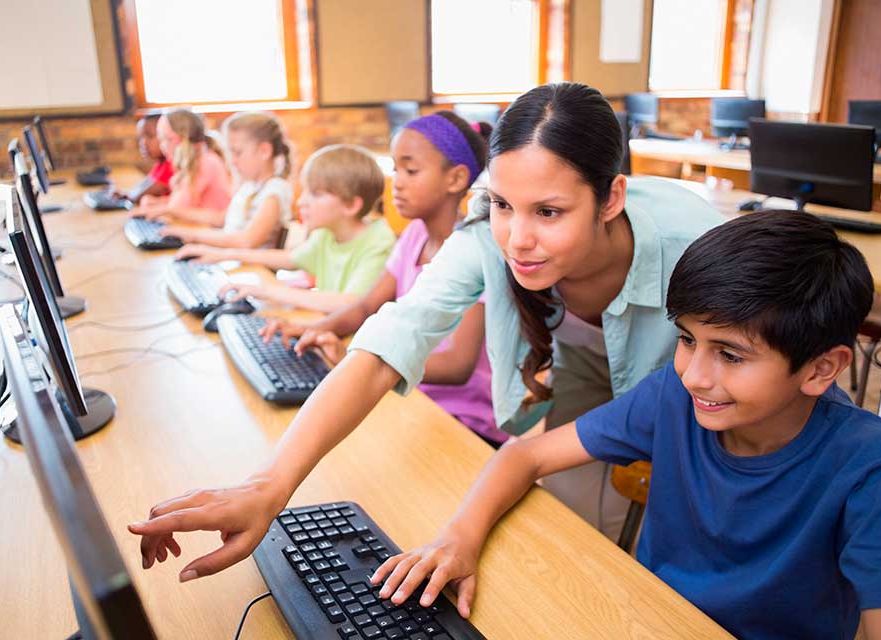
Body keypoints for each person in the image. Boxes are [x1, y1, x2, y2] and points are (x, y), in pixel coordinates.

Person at [127, 82, 724, 581]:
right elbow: (392, 339)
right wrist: (268, 485)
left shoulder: (693, 245)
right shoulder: (489, 238)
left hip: (699, 389)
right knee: (569, 536)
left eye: (549, 212)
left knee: (678, 524)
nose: (516, 238)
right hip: (582, 361)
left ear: (611, 198)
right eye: (503, 205)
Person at [368, 211, 881, 640]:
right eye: (688, 339)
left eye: (731, 355)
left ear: (821, 369)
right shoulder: (670, 398)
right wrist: (458, 539)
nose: (695, 375)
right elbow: (525, 456)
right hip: (643, 621)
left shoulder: (871, 470)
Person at [265, 111, 501, 445]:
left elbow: (456, 365)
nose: (398, 182)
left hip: (463, 421)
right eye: (395, 168)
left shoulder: (474, 252)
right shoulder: (414, 235)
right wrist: (314, 330)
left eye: (411, 170)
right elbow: (366, 306)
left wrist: (359, 358)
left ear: (456, 179)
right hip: (407, 394)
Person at [176, 144, 396, 313]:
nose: (301, 202)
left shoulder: (379, 242)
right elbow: (290, 259)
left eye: (315, 194)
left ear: (351, 205)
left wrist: (269, 291)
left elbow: (350, 303)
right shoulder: (327, 233)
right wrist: (222, 255)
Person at [160, 111, 293, 249]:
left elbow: (246, 241)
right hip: (232, 260)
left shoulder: (274, 191)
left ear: (264, 151)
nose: (233, 161)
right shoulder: (249, 186)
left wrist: (194, 236)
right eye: (231, 153)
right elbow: (220, 219)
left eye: (238, 153)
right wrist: (171, 213)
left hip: (250, 268)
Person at [131, 108, 233, 225]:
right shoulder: (193, 162)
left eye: (164, 139)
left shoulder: (206, 163)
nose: (162, 146)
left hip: (213, 231)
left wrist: (160, 208)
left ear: (178, 140)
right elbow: (186, 203)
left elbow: (178, 208)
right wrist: (158, 202)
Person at [110, 113, 173, 204]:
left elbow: (150, 191)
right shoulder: (161, 163)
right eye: (141, 137)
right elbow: (146, 184)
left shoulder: (171, 164)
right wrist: (128, 194)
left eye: (150, 136)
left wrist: (131, 196)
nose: (143, 143)